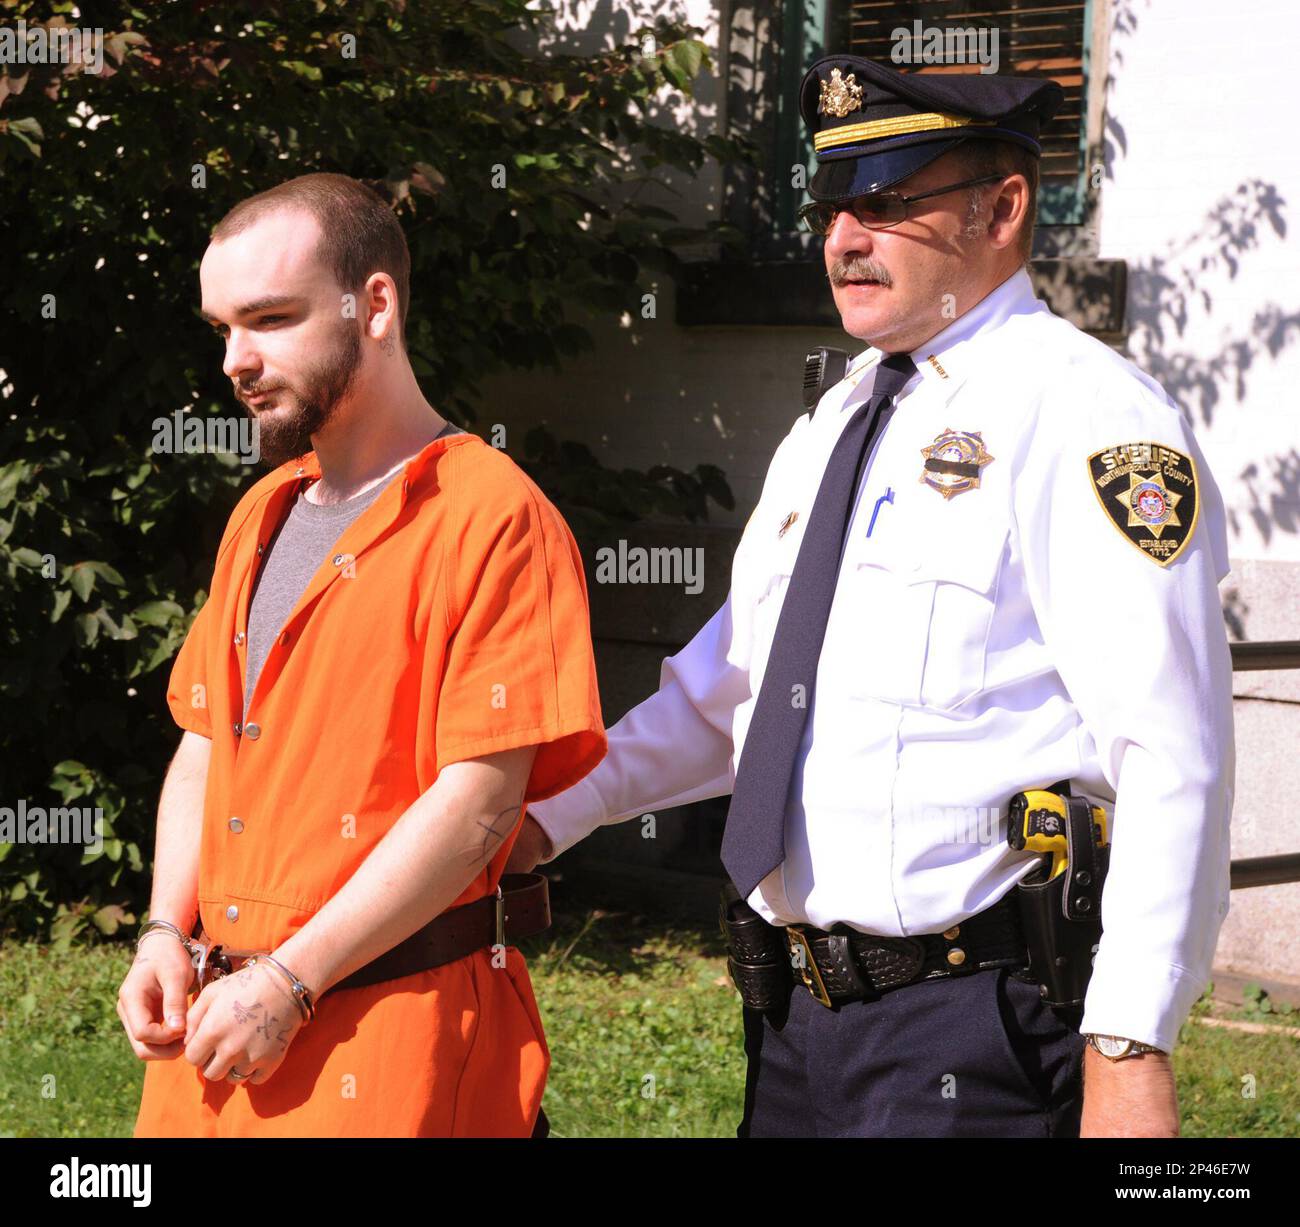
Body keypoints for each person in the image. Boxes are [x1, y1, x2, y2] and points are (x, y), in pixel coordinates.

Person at [508, 56, 1234, 1138]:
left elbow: (1171, 754)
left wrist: (1130, 1047)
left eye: (886, 203)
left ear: (1002, 207)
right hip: (794, 1022)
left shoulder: (1089, 417)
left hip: (969, 1027)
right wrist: (531, 824)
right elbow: (728, 699)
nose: (842, 238)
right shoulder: (838, 420)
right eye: (827, 206)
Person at [119, 172, 605, 1137]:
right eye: (222, 327)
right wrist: (166, 930)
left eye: (268, 318)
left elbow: (480, 805)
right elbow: (205, 741)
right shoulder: (263, 512)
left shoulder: (494, 516)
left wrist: (292, 980)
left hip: (389, 1044)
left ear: (373, 303)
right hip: (217, 1044)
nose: (235, 360)